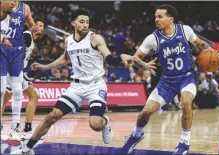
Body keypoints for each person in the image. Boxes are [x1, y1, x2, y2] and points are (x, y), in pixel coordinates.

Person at [10, 8, 135, 154]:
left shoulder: (95, 38)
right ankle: (27, 148)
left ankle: (105, 123)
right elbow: (65, 59)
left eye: (87, 22)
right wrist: (46, 66)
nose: (85, 25)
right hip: (76, 86)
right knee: (52, 116)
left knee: (95, 124)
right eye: (81, 22)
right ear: (73, 23)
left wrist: (120, 58)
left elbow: (109, 58)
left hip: (95, 85)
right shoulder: (68, 40)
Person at [121, 4, 217, 154]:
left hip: (187, 77)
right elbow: (136, 58)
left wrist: (211, 51)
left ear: (170, 19)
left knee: (185, 102)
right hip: (167, 82)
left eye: (160, 16)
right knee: (144, 113)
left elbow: (200, 44)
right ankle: (136, 134)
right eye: (155, 17)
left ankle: (184, 143)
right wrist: (144, 64)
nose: (156, 20)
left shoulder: (185, 30)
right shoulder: (152, 38)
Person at [1, 0, 43, 141]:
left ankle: (23, 130)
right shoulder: (4, 10)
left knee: (30, 95)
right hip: (5, 55)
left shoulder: (25, 9)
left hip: (17, 62)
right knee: (4, 96)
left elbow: (34, 31)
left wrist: (37, 30)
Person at [0, 0, 16, 141]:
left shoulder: (9, 19)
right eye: (11, 1)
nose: (13, 4)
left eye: (15, 2)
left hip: (2, 57)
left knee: (1, 91)